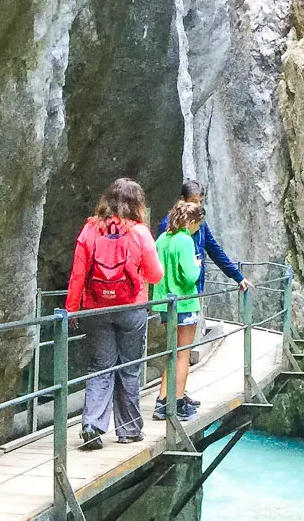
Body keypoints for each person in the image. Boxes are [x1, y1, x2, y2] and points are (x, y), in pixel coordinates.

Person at [65, 178, 163, 450]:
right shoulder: (140, 233)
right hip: (131, 308)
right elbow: (155, 275)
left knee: (100, 366)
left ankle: (92, 426)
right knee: (129, 367)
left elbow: (78, 275)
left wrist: (72, 309)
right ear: (137, 203)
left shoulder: (89, 230)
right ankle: (129, 430)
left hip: (96, 308)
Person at [156, 179, 250, 364]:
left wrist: (237, 276)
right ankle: (172, 391)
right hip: (173, 294)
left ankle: (177, 389)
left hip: (193, 291)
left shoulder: (200, 224)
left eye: (200, 201)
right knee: (178, 350)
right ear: (182, 200)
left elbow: (214, 250)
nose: (197, 205)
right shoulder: (168, 225)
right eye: (193, 201)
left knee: (183, 348)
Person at [151, 200, 204, 421]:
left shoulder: (162, 239)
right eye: (197, 225)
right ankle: (178, 402)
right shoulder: (184, 240)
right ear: (190, 221)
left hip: (164, 304)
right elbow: (190, 275)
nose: (198, 229)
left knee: (171, 353)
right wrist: (197, 264)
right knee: (183, 354)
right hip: (184, 304)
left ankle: (162, 401)